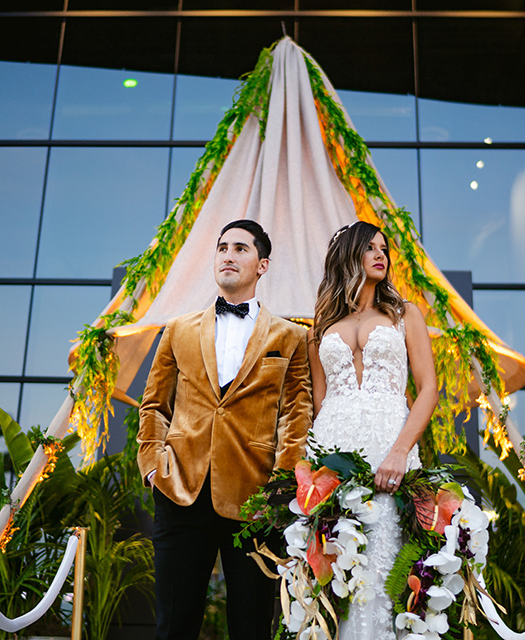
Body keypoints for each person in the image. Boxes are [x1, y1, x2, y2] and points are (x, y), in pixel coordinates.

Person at [137, 219, 313, 640]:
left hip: (255, 500)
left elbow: (296, 416)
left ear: (262, 264)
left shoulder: (292, 337)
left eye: (240, 249)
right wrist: (152, 465)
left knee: (252, 627)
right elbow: (154, 405)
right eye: (222, 248)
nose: (228, 256)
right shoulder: (177, 330)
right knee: (173, 625)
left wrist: (282, 487)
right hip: (180, 489)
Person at [308, 220, 438, 640]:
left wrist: (400, 451)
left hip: (388, 450)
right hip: (332, 456)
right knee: (334, 576)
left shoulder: (404, 315)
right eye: (370, 248)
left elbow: (429, 389)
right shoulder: (321, 327)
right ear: (349, 255)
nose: (381, 254)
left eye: (384, 248)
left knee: (383, 573)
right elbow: (318, 403)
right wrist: (313, 473)